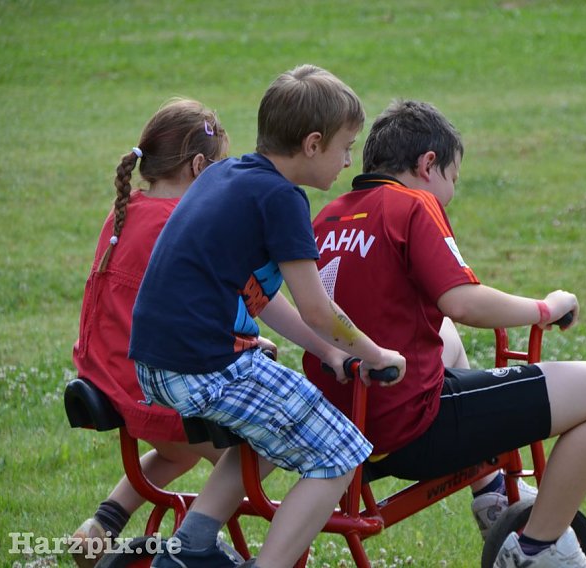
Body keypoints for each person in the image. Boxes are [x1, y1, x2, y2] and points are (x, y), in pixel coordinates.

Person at [303, 100, 586, 568]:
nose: (450, 192)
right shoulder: (413, 203)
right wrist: (544, 308)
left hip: (343, 424)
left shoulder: (330, 216)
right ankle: (537, 549)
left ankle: (492, 494)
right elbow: (461, 299)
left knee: (447, 335)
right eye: (453, 180)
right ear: (428, 164)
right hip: (410, 429)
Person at [129, 65, 406, 568]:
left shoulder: (226, 174)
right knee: (340, 453)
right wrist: (374, 353)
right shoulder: (282, 199)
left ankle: (189, 549)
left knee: (276, 426)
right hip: (205, 367)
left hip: (158, 362)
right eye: (346, 146)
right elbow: (318, 309)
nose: (348, 160)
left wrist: (327, 353)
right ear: (313, 144)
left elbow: (262, 298)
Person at [68, 98, 243, 567]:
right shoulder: (181, 225)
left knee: (178, 452)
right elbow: (198, 319)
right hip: (150, 389)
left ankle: (102, 524)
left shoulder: (126, 211)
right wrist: (244, 343)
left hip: (105, 375)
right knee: (249, 451)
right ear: (199, 166)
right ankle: (195, 546)